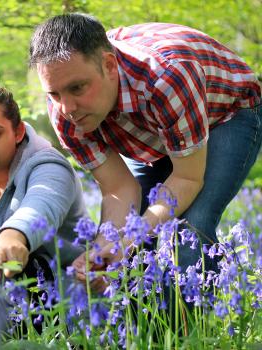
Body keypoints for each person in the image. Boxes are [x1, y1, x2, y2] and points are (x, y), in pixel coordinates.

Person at [29, 13, 262, 289]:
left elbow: (187, 178)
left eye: (77, 87)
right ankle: (145, 330)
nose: (66, 108)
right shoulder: (65, 114)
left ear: (109, 65)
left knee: (189, 226)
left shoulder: (166, 77)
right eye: (54, 94)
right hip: (156, 128)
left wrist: (130, 238)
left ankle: (187, 329)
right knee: (132, 241)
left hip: (225, 113)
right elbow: (119, 188)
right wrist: (105, 248)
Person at [0, 83, 87, 284]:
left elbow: (41, 206)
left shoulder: (50, 167)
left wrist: (12, 237)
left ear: (18, 132)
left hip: (60, 300)